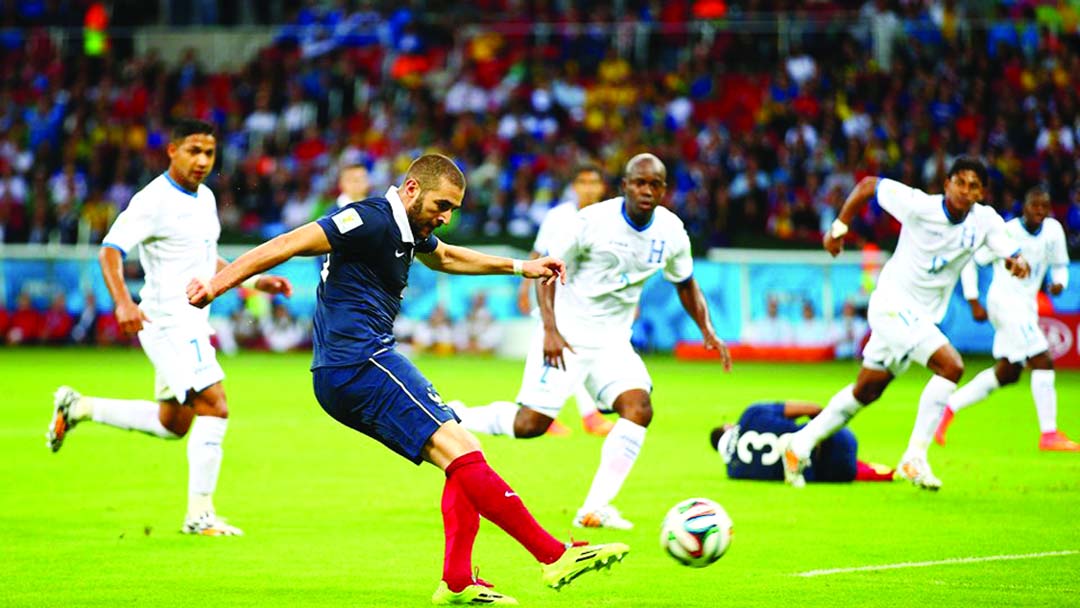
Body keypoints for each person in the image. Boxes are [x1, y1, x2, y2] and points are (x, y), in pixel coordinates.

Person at [185, 153, 628, 604]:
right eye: (442, 205)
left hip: (354, 366)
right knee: (462, 452)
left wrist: (520, 267)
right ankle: (554, 555)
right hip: (359, 362)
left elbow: (447, 257)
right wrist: (216, 285)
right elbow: (288, 242)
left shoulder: (408, 228)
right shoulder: (369, 218)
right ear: (412, 189)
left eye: (453, 209)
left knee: (463, 454)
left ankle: (457, 582)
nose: (446, 217)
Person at [453, 153, 732, 530]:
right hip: (566, 335)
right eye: (639, 183)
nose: (646, 190)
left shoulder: (671, 232)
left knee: (638, 408)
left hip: (613, 342)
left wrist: (707, 329)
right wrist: (550, 329)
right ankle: (456, 415)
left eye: (654, 184)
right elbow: (547, 269)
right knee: (530, 424)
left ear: (664, 190)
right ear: (625, 186)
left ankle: (594, 508)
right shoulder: (590, 222)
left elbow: (685, 283)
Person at [45, 119, 294, 536]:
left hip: (190, 321)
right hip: (169, 323)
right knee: (215, 406)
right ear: (172, 150)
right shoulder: (153, 201)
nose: (202, 161)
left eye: (209, 153)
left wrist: (253, 281)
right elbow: (110, 251)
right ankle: (200, 515)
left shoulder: (206, 198)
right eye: (193, 151)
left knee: (173, 424)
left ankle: (78, 407)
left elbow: (203, 260)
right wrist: (123, 302)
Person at [780, 157, 1031, 490]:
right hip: (891, 306)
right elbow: (868, 185)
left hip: (918, 318)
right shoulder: (919, 206)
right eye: (959, 182)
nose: (964, 190)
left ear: (981, 193)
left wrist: (1018, 261)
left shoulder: (985, 221)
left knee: (867, 390)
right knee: (951, 367)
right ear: (947, 184)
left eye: (973, 185)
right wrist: (838, 228)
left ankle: (798, 445)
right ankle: (915, 458)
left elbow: (1010, 250)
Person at [935, 187, 1078, 452]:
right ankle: (1049, 434)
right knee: (1042, 359)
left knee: (1008, 372)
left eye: (1044, 207)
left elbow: (1060, 265)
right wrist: (972, 299)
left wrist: (1060, 283)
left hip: (1027, 306)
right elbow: (973, 260)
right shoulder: (1007, 232)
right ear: (1024, 207)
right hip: (1005, 303)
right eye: (1034, 206)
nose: (1039, 211)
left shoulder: (1053, 231)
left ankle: (947, 408)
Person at [515, 163, 614, 437]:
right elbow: (538, 253)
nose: (588, 188)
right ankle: (578, 414)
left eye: (593, 182)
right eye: (583, 182)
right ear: (574, 186)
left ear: (602, 187)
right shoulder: (558, 216)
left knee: (573, 353)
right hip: (552, 292)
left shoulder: (609, 218)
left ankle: (549, 412)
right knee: (554, 348)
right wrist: (524, 288)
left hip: (588, 299)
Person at [711, 401, 894, 482]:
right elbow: (813, 409)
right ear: (728, 427)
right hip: (841, 439)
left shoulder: (735, 471)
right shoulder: (751, 414)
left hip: (838, 474)